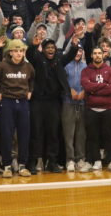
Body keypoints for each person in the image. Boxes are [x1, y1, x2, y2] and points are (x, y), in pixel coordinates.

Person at [26, 37, 79, 174]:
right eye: (48, 47)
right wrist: (33, 45)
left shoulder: (59, 60)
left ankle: (52, 162)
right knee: (36, 132)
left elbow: (71, 55)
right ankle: (32, 162)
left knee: (53, 133)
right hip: (38, 101)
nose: (50, 49)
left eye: (52, 47)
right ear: (43, 50)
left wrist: (74, 44)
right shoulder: (37, 59)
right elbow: (29, 54)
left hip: (54, 102)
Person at [0, 39, 35, 178]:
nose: (19, 53)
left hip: (23, 102)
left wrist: (30, 91)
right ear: (11, 52)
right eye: (16, 51)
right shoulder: (2, 66)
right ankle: (7, 166)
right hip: (7, 102)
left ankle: (22, 166)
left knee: (24, 134)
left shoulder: (28, 66)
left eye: (21, 51)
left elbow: (32, 78)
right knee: (7, 135)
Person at [80, 47, 111, 172]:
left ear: (103, 55)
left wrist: (94, 89)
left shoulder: (110, 71)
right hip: (91, 109)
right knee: (92, 136)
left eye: (99, 53)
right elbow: (86, 86)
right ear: (91, 55)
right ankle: (94, 161)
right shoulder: (86, 71)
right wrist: (103, 85)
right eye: (95, 53)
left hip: (107, 109)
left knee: (109, 136)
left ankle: (110, 162)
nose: (97, 55)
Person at [62, 46, 87, 172]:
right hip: (68, 102)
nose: (78, 53)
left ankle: (80, 159)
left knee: (81, 133)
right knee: (68, 133)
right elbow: (62, 82)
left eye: (80, 51)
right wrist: (69, 91)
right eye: (76, 50)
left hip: (83, 102)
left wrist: (84, 92)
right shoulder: (66, 65)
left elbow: (89, 82)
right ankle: (70, 160)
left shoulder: (86, 66)